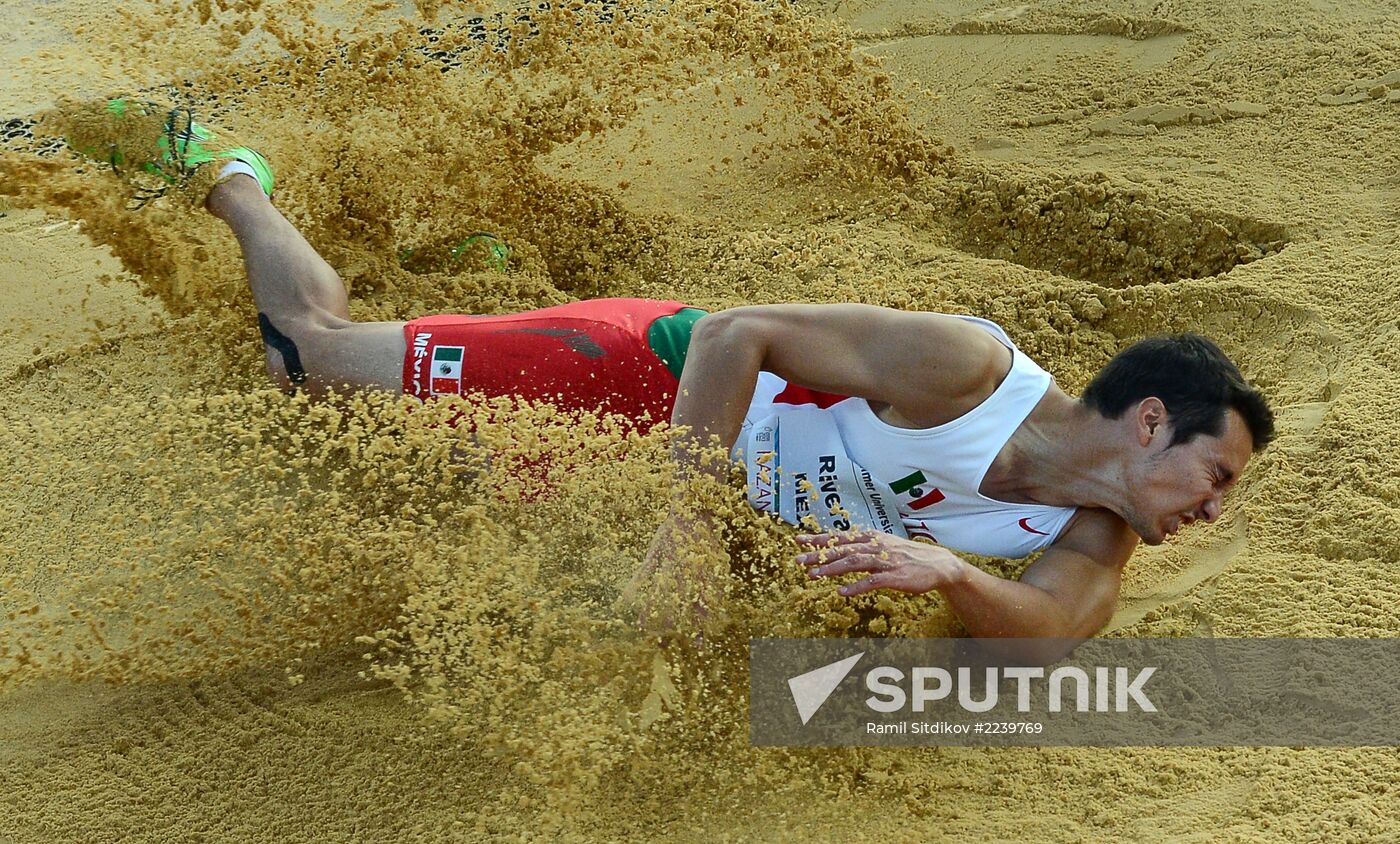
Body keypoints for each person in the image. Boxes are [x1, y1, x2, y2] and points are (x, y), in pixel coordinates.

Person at [58, 98, 1275, 653]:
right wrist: (686, 522)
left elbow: (1053, 629)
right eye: (1213, 476)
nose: (1215, 509)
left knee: (424, 505)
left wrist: (949, 570)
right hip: (649, 378)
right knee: (308, 370)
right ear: (1148, 421)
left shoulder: (1091, 530)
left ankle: (465, 283)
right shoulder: (963, 368)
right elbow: (743, 332)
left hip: (666, 481)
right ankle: (219, 165)